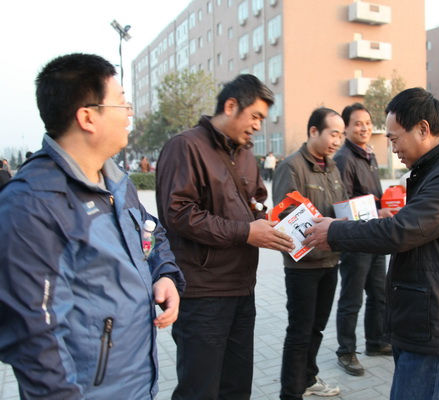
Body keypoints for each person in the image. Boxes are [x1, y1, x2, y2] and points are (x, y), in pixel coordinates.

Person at [0, 53, 185, 399]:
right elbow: (34, 338)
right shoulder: (34, 204)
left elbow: (151, 232)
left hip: (136, 385)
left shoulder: (115, 181)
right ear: (87, 117)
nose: (129, 113)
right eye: (121, 103)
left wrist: (164, 274)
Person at [304, 88, 439, 400]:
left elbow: (401, 232)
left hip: (435, 317)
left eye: (394, 138)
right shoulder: (436, 168)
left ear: (423, 129)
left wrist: (334, 231)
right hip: (421, 313)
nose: (393, 148)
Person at [155, 74, 294, 400]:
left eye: (262, 119)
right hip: (203, 292)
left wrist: (273, 223)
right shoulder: (185, 146)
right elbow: (178, 214)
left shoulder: (244, 154)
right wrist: (246, 232)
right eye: (255, 116)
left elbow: (256, 202)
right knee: (199, 389)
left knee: (236, 385)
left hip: (242, 287)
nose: (258, 126)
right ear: (231, 106)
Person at [272, 107, 347, 399]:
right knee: (299, 332)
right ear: (314, 131)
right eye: (333, 133)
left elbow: (341, 206)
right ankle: (291, 393)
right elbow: (285, 215)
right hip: (303, 267)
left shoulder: (333, 168)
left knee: (317, 328)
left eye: (341, 135)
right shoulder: (291, 167)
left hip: (330, 261)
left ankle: (308, 378)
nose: (337, 140)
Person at [333, 103, 392, 377]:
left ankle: (376, 341)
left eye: (367, 123)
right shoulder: (344, 158)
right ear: (345, 128)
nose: (365, 128)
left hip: (375, 236)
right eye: (358, 123)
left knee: (379, 294)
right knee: (352, 298)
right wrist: (375, 212)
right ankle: (346, 351)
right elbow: (342, 203)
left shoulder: (369, 154)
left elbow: (373, 195)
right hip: (356, 239)